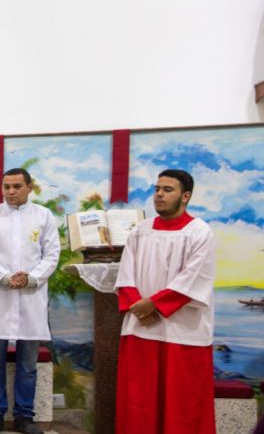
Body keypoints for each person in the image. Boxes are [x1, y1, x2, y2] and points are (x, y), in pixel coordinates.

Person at [114, 169, 216, 434]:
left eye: (167, 190)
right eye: (157, 189)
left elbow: (195, 278)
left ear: (186, 196)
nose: (159, 195)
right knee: (139, 400)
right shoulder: (141, 230)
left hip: (183, 332)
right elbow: (126, 273)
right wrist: (139, 307)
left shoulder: (199, 232)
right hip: (142, 327)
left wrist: (154, 305)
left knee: (182, 404)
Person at [0, 168, 60, 434]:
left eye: (17, 186)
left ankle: (25, 416)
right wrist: (6, 277)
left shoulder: (43, 216)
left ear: (29, 188)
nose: (10, 191)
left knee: (28, 365)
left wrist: (31, 278)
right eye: (6, 187)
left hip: (31, 297)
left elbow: (52, 255)